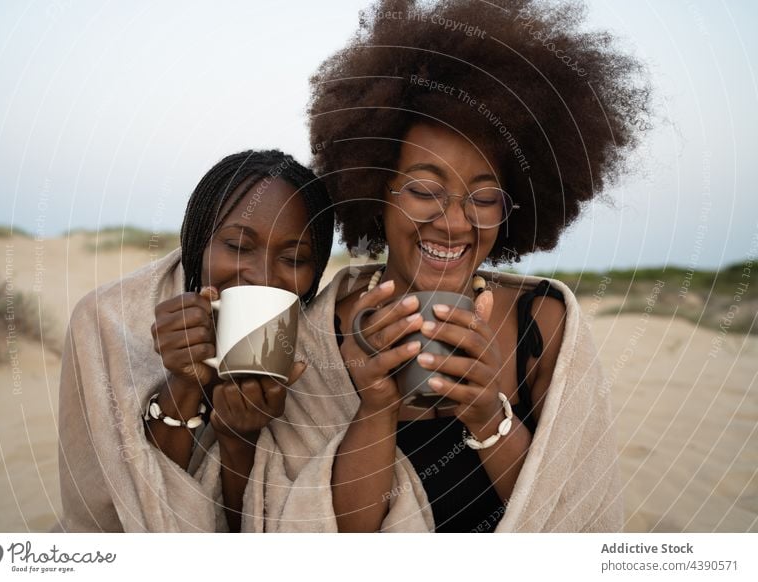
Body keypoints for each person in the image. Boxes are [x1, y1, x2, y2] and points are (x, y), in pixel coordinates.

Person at [239, 0, 651, 532]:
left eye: (483, 198)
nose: (454, 224)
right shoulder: (321, 333)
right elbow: (317, 535)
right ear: (374, 188)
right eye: (424, 190)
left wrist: (488, 416)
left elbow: (574, 521)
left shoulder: (543, 326)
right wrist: (376, 409)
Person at [54, 150, 333, 532]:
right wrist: (183, 383)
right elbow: (111, 516)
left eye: (294, 258)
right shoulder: (106, 320)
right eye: (237, 247)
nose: (262, 276)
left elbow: (283, 530)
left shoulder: (318, 345)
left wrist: (239, 440)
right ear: (198, 243)